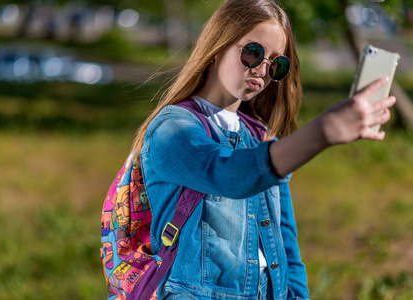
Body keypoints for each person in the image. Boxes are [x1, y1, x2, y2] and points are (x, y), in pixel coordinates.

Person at [129, 0, 396, 299]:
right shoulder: (173, 129)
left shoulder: (259, 137)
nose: (262, 71)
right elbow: (228, 174)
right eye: (253, 53)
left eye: (276, 64)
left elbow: (285, 246)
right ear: (218, 46)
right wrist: (323, 132)